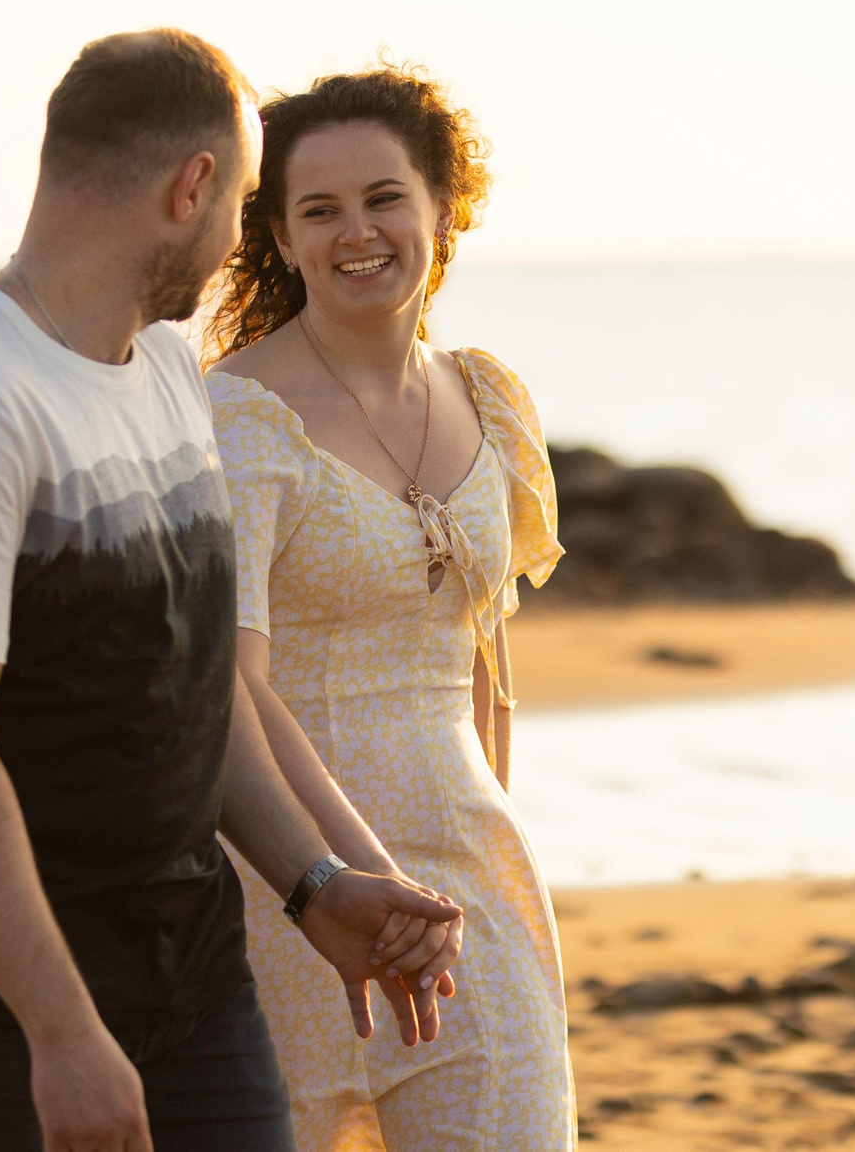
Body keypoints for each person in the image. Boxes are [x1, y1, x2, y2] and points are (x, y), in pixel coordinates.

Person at [0, 31, 468, 1152]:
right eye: (246, 207)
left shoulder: (168, 371)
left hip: (194, 980)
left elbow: (198, 682)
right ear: (195, 188)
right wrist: (61, 1033)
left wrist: (313, 885)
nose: (238, 247)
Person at [205, 65, 574, 1150]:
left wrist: (487, 849)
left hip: (475, 880)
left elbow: (485, 661)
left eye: (383, 198)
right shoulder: (238, 416)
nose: (355, 232)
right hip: (289, 885)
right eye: (317, 209)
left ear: (442, 209)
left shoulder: (488, 398)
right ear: (277, 235)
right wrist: (357, 877)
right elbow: (230, 677)